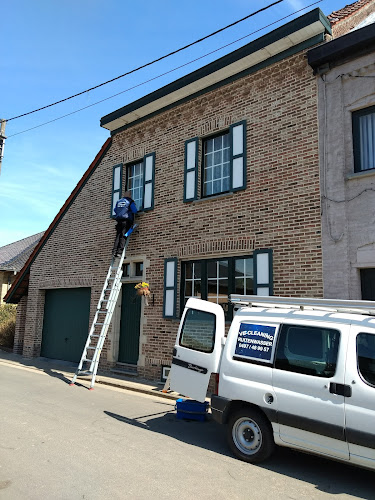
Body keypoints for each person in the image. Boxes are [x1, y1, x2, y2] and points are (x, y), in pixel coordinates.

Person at [112, 191, 138, 257]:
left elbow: (115, 210)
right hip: (126, 221)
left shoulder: (119, 201)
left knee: (118, 236)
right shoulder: (129, 201)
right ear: (129, 195)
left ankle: (114, 251)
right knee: (123, 236)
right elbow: (134, 210)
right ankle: (119, 252)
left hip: (119, 221)